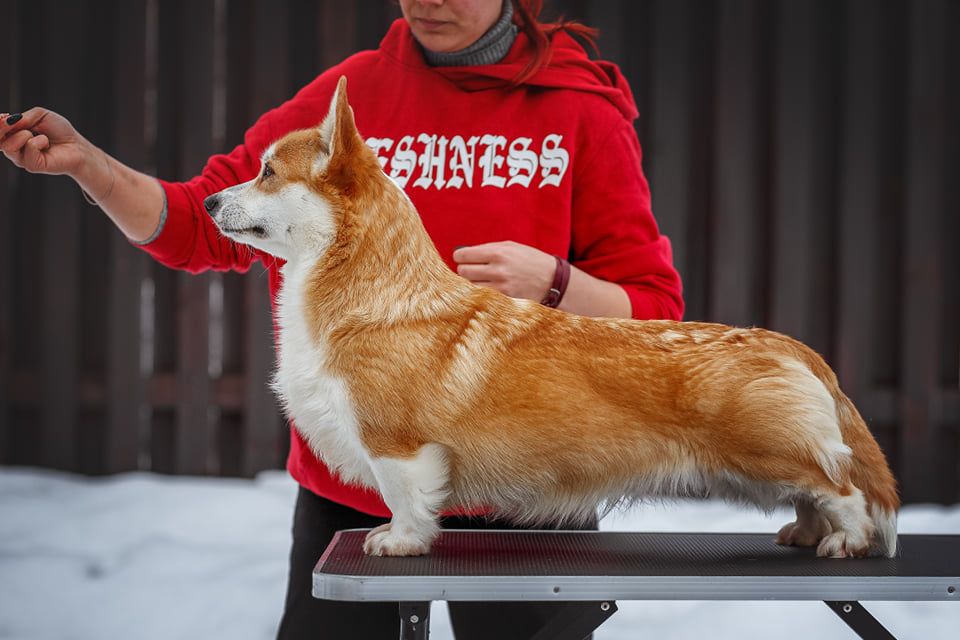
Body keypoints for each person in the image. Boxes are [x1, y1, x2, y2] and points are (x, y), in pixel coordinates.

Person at [1, 0, 683, 637]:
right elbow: (199, 222)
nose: (427, 1)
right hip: (360, 492)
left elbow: (655, 309)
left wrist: (556, 282)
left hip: (528, 498)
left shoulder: (579, 112)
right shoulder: (353, 97)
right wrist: (87, 166)